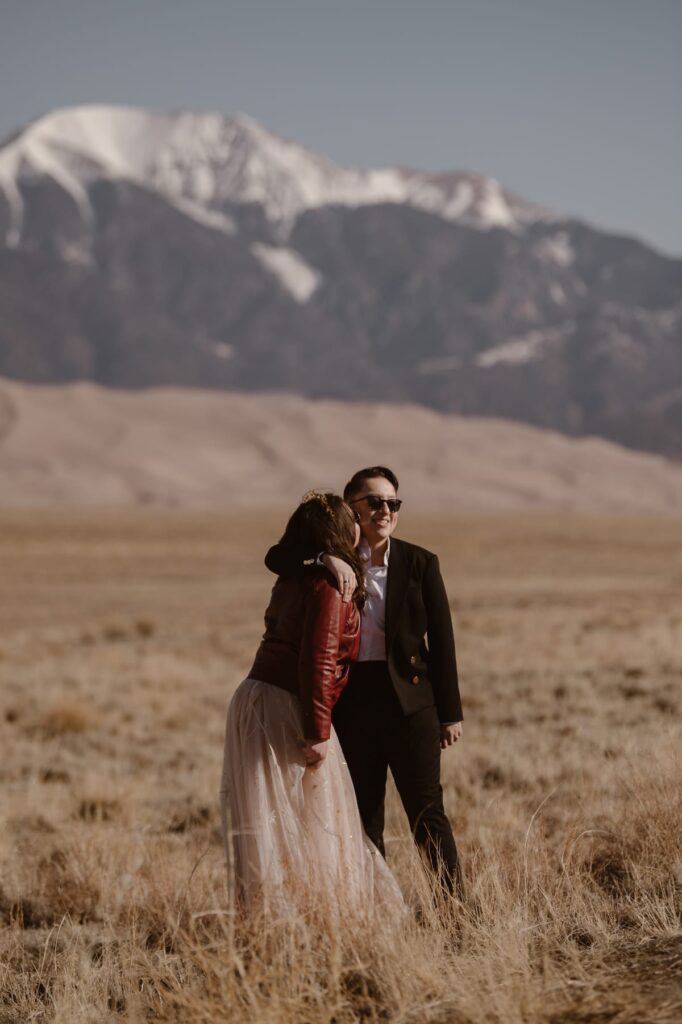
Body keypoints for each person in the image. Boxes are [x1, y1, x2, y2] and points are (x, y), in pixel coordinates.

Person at [265, 467, 464, 899]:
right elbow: (274, 558)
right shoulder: (333, 554)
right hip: (353, 703)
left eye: (392, 503)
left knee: (427, 813)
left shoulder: (420, 562)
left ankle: (457, 913)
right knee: (363, 815)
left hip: (412, 705)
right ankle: (378, 911)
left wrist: (450, 714)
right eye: (374, 502)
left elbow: (443, 642)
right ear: (352, 508)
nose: (385, 511)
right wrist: (323, 558)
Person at [220, 490, 404, 919]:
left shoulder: (296, 577)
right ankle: (319, 917)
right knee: (314, 817)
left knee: (273, 817)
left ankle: (273, 918)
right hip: (286, 704)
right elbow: (318, 662)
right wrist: (318, 733)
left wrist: (322, 556)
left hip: (255, 696)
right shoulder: (329, 586)